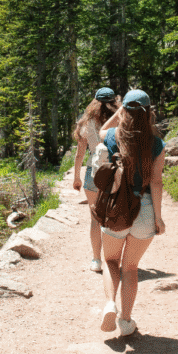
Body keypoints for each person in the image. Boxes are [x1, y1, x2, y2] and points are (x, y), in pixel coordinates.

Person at [96, 89, 165, 337]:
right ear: (148, 114)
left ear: (124, 110)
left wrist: (119, 112)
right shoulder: (157, 143)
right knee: (131, 267)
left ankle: (109, 304)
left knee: (110, 260)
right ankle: (125, 321)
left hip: (118, 208)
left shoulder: (113, 136)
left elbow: (101, 129)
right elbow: (156, 182)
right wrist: (158, 217)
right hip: (144, 209)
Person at [72, 87, 119, 272]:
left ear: (94, 102)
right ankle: (113, 259)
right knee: (114, 214)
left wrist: (76, 178)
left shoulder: (86, 122)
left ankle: (96, 260)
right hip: (115, 170)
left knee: (95, 219)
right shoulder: (120, 120)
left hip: (93, 170)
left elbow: (79, 154)